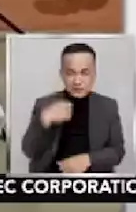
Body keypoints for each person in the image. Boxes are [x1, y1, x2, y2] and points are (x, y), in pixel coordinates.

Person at [21, 43, 126, 175]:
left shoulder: (108, 106)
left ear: (94, 74)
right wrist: (44, 121)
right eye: (70, 73)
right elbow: (29, 151)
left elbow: (117, 151)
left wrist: (88, 159)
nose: (77, 81)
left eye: (85, 73)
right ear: (61, 74)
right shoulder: (44, 103)